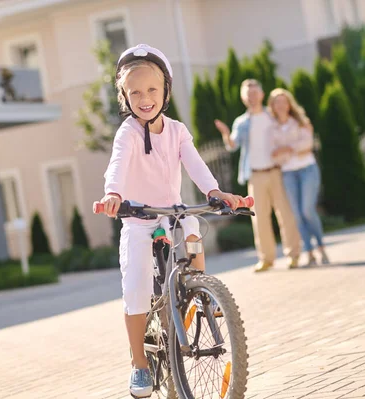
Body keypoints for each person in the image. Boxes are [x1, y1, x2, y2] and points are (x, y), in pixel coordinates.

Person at [97, 44, 244, 398]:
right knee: (135, 289)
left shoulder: (177, 131)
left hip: (175, 212)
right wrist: (113, 194)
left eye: (152, 90)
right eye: (135, 92)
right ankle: (140, 365)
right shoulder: (128, 133)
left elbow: (195, 165)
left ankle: (200, 295)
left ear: (165, 92)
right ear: (124, 96)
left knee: (193, 232)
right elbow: (117, 164)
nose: (144, 98)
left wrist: (216, 192)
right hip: (138, 216)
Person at [214, 79, 302, 272]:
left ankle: (293, 255)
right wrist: (226, 135)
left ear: (262, 95)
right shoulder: (242, 122)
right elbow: (232, 145)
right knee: (259, 218)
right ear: (243, 98)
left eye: (255, 93)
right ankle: (266, 258)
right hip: (256, 175)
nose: (252, 97)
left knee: (285, 215)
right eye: (248, 94)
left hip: (276, 171)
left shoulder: (272, 117)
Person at [268, 88, 329, 265]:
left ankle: (321, 247)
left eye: (283, 101)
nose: (280, 105)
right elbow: (274, 155)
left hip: (307, 169)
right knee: (297, 214)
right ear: (272, 106)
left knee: (307, 210)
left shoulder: (301, 121)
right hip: (288, 173)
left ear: (289, 104)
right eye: (277, 102)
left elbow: (307, 145)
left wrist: (286, 149)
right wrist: (293, 149)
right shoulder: (273, 128)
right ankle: (309, 253)